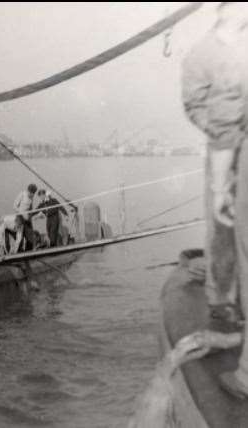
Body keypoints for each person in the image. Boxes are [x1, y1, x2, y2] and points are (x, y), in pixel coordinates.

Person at [182, 2, 248, 397]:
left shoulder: (231, 48)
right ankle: (227, 310)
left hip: (234, 148)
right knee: (224, 234)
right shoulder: (206, 53)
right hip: (230, 146)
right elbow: (201, 107)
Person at [13, 183, 38, 250]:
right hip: (20, 217)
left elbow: (30, 208)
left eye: (33, 193)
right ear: (28, 191)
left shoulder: (32, 197)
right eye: (31, 193)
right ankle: (17, 253)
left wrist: (31, 215)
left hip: (27, 218)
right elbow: (14, 206)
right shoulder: (22, 194)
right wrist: (22, 213)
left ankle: (29, 252)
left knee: (31, 237)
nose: (32, 195)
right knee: (19, 238)